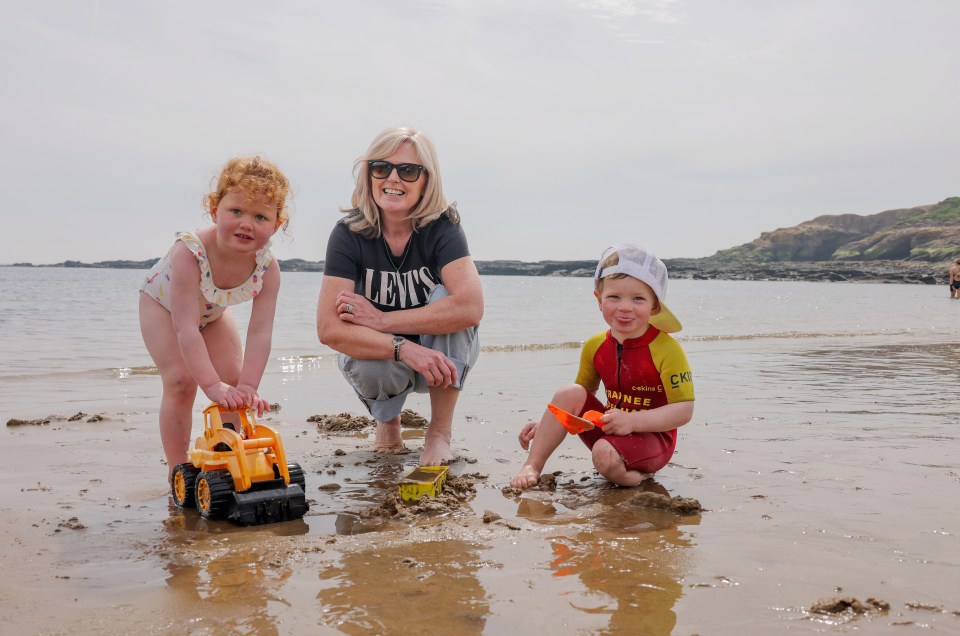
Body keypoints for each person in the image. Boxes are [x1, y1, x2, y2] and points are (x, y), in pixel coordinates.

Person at [316, 126, 483, 466]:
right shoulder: (349, 234)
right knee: (366, 360)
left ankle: (438, 435)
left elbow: (470, 306)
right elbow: (329, 330)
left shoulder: (442, 228)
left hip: (439, 355)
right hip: (383, 359)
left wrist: (382, 320)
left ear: (426, 181)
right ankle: (387, 422)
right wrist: (402, 346)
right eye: (382, 167)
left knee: (446, 300)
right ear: (369, 174)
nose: (393, 178)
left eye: (407, 170)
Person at [139, 156, 290, 481]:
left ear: (276, 224)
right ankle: (177, 471)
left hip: (213, 313)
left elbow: (260, 331)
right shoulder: (189, 252)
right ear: (214, 209)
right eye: (236, 211)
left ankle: (230, 459)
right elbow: (185, 328)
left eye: (260, 216)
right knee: (181, 382)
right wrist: (210, 384)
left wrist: (248, 386)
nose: (246, 223)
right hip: (164, 309)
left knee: (234, 385)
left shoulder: (268, 268)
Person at [511, 244, 695, 489]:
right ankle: (532, 465)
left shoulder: (667, 350)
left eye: (638, 298)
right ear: (599, 300)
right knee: (569, 392)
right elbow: (577, 401)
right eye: (614, 297)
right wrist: (546, 424)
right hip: (610, 428)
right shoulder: (595, 346)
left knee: (603, 454)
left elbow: (684, 411)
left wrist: (632, 421)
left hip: (653, 438)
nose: (625, 307)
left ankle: (638, 477)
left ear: (654, 306)